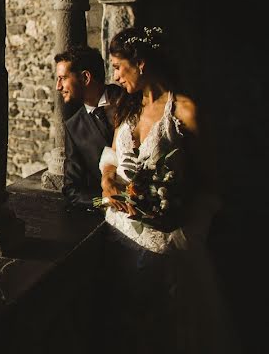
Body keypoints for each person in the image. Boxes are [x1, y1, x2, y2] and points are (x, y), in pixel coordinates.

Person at [99, 26, 237, 353]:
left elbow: (210, 181)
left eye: (119, 67)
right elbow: (113, 156)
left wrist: (170, 208)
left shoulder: (184, 111)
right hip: (118, 235)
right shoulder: (126, 106)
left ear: (141, 64)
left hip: (164, 245)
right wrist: (107, 180)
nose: (115, 76)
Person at [54, 45, 122, 211]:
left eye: (63, 78)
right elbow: (72, 190)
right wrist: (104, 202)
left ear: (85, 78)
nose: (58, 86)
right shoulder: (73, 127)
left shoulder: (128, 99)